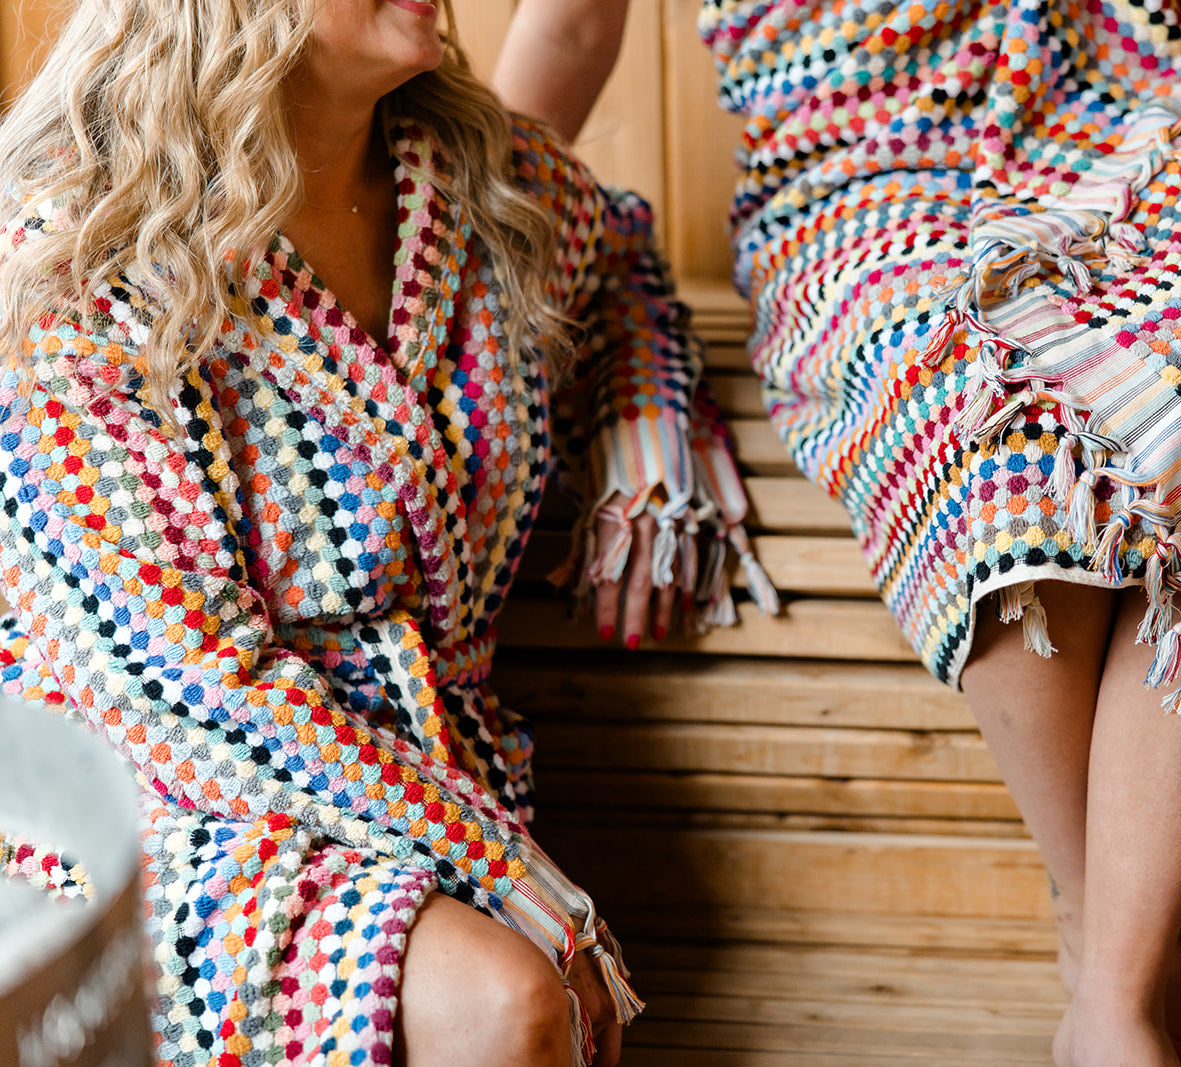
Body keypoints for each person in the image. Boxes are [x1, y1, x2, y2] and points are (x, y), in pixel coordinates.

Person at [498, 2, 1181, 1066]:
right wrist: (475, 242)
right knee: (992, 436)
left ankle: (1110, 986)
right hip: (850, 182)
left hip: (1107, 126)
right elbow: (572, 26)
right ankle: (1107, 950)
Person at [0, 0, 763, 1063]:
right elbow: (175, 685)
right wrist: (500, 866)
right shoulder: (77, 252)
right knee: (507, 997)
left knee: (511, 992)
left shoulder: (472, 179)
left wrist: (645, 438)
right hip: (156, 802)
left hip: (425, 795)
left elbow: (619, 249)